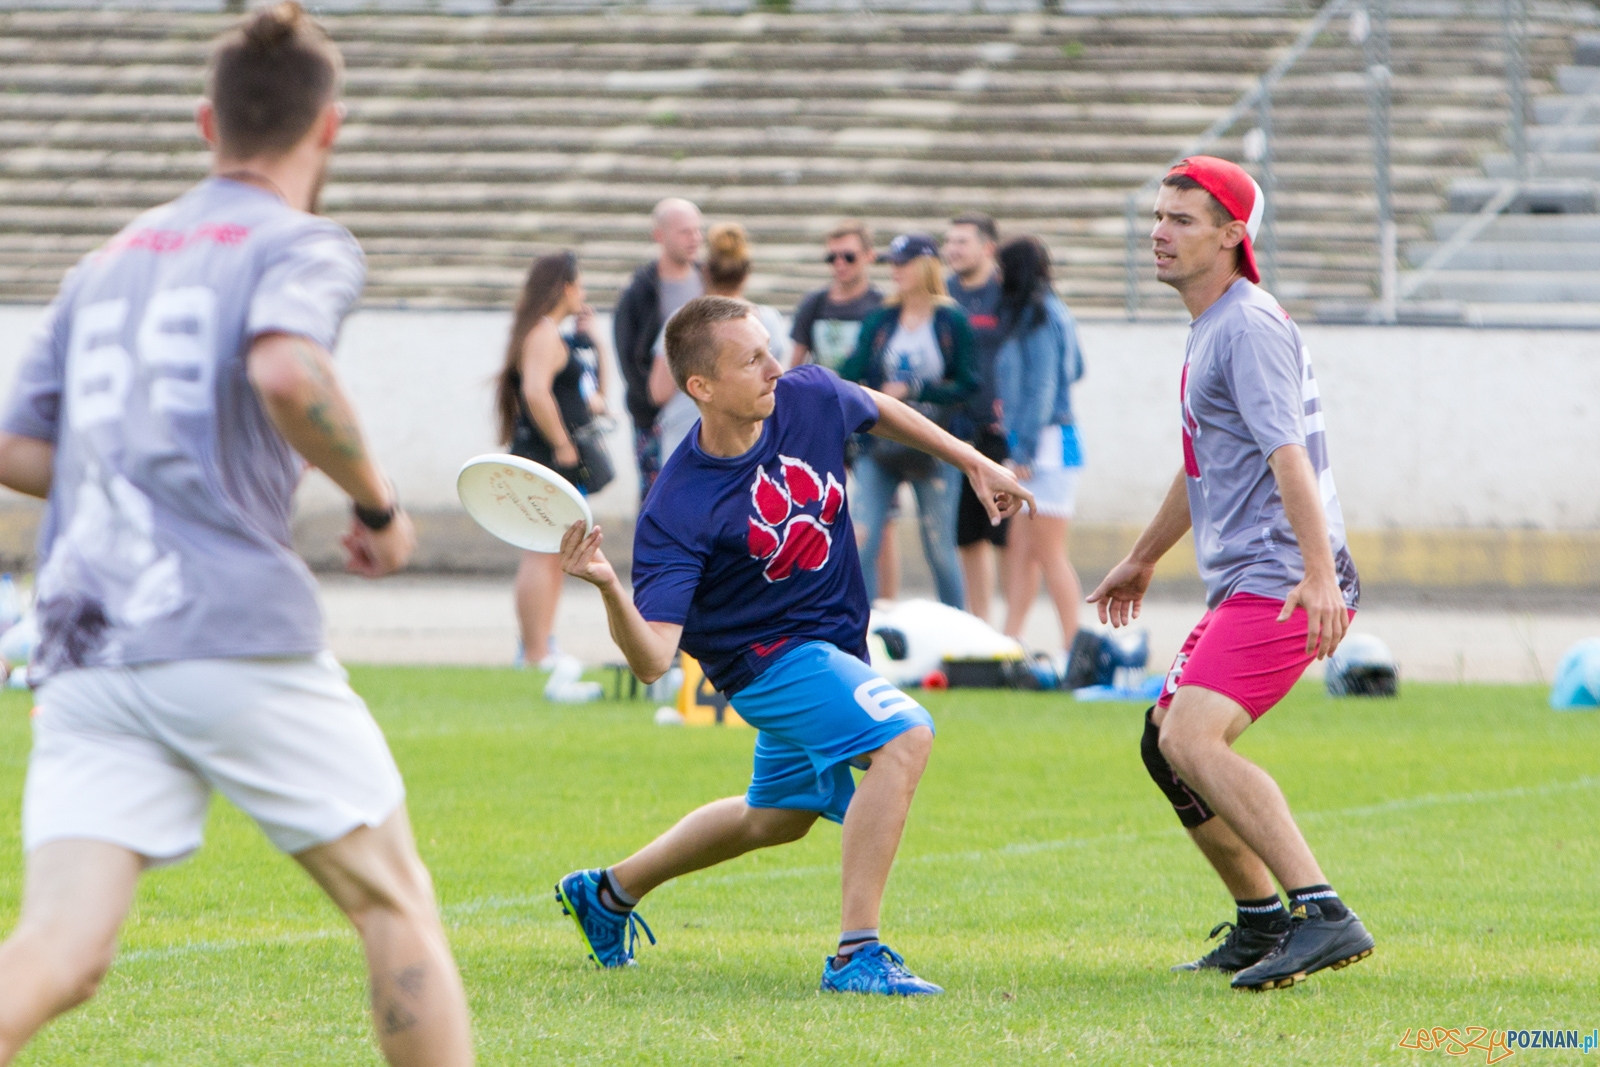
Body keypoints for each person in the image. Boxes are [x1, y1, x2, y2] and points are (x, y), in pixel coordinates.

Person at [0, 6, 474, 1063]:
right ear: (330, 129)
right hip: (226, 627)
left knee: (60, 947)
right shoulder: (300, 243)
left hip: (83, 639)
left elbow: (18, 445)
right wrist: (379, 504)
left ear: (206, 122)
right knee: (394, 900)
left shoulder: (107, 259)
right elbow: (286, 368)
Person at [552, 295, 1032, 995]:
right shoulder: (678, 504)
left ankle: (608, 891)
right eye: (753, 359)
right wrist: (605, 587)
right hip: (766, 663)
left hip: (830, 644)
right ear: (702, 388)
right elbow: (655, 657)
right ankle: (856, 954)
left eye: (771, 347)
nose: (778, 367)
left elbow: (869, 401)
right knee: (904, 735)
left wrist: (970, 460)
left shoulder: (806, 396)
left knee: (775, 816)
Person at [1086, 156, 1372, 991]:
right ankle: (1259, 921)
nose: (1159, 231)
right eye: (1158, 215)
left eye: (1181, 218)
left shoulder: (1244, 325)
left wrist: (1320, 575)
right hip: (1262, 571)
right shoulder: (1215, 322)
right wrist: (1144, 556)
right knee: (1163, 743)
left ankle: (1323, 912)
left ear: (1232, 235)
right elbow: (1208, 459)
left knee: (1190, 737)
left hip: (1284, 574)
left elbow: (1290, 457)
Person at [839, 234, 978, 609]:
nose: (895, 271)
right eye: (893, 263)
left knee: (939, 549)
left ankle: (958, 636)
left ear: (926, 266)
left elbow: (968, 385)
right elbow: (852, 370)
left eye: (904, 263)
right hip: (879, 443)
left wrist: (916, 389)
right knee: (861, 542)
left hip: (935, 446)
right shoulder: (881, 318)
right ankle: (861, 635)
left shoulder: (951, 320)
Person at [496, 251, 609, 670]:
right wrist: (562, 443)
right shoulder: (544, 334)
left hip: (549, 457)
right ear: (565, 287)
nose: (583, 292)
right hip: (547, 458)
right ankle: (536, 650)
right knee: (542, 553)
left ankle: (541, 643)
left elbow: (595, 395)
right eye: (579, 284)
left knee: (554, 553)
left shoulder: (552, 334)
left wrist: (593, 341)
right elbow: (536, 392)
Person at [788, 219, 901, 598]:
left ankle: (885, 605)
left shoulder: (882, 305)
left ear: (869, 256)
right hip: (823, 419)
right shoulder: (815, 304)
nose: (839, 263)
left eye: (849, 256)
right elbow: (795, 363)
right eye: (832, 256)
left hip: (868, 418)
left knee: (879, 521)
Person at [993, 236, 1086, 660]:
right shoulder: (1053, 311)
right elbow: (1078, 368)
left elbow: (1045, 386)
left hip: (1047, 444)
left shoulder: (1040, 316)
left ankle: (1074, 643)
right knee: (1021, 547)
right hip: (1042, 440)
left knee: (1049, 551)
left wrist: (1023, 452)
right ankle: (1010, 638)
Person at [649, 223, 791, 462]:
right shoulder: (769, 321)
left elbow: (659, 392)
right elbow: (776, 382)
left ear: (705, 272)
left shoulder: (683, 322)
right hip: (754, 442)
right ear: (746, 274)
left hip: (687, 438)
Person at [613, 197, 704, 503]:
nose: (695, 239)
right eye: (684, 232)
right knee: (657, 497)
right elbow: (628, 359)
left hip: (704, 413)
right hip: (655, 419)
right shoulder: (640, 292)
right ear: (660, 236)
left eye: (697, 231)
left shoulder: (709, 281)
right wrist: (653, 404)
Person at [943, 212, 1009, 622]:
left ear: (988, 248)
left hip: (1000, 431)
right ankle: (979, 623)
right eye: (949, 242)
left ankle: (1012, 626)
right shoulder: (944, 294)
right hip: (957, 430)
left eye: (962, 242)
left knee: (1007, 534)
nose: (953, 250)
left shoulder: (1006, 295)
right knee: (967, 535)